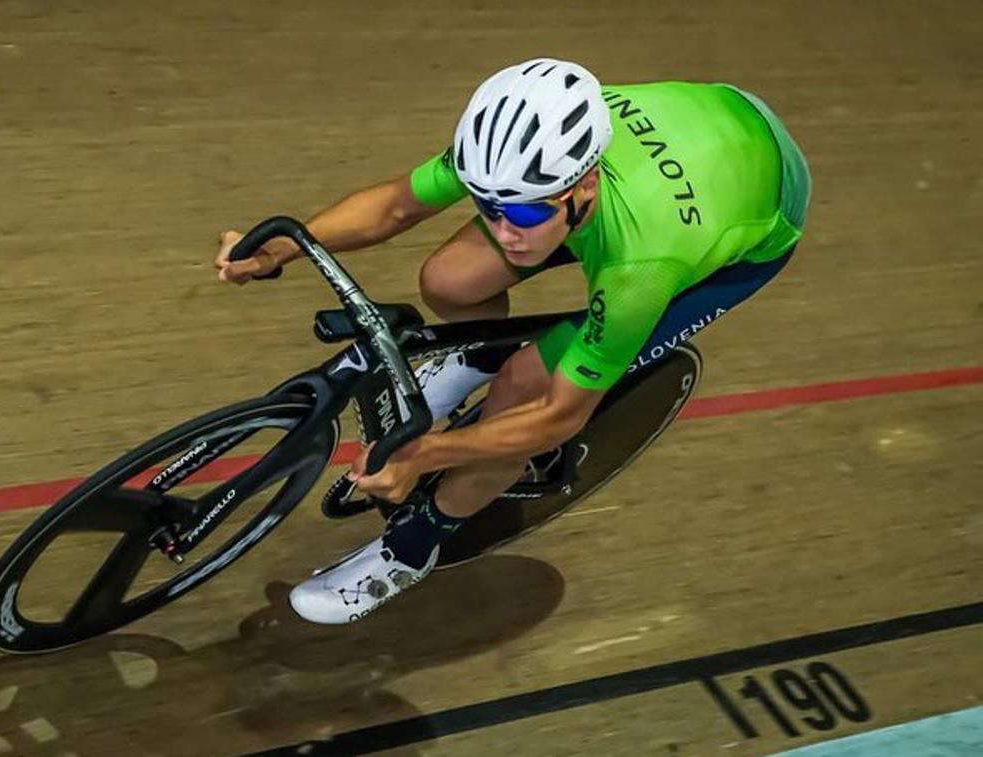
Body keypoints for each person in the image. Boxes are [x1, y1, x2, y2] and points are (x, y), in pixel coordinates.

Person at [214, 58, 811, 624]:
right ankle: (479, 358)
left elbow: (557, 419)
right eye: (489, 208)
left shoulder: (641, 266)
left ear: (586, 186)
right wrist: (284, 246)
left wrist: (425, 456)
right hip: (710, 127)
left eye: (524, 217)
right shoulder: (521, 151)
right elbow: (398, 206)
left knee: (526, 388)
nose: (506, 233)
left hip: (744, 220)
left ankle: (415, 547)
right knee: (447, 280)